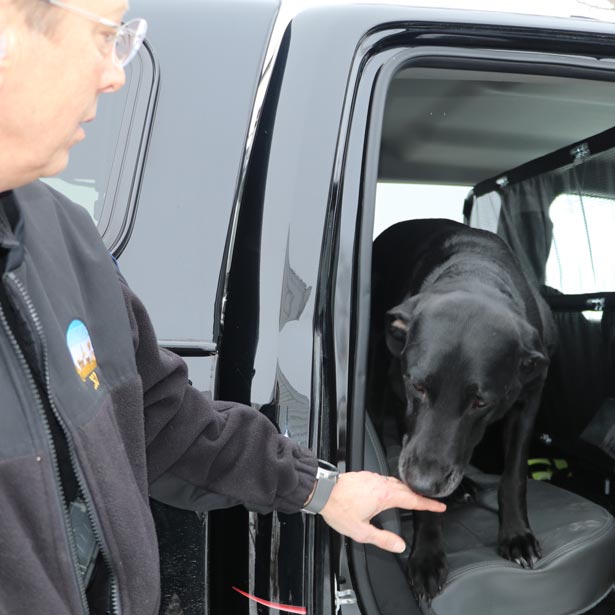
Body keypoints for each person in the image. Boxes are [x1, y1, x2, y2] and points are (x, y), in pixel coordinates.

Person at [0, 1, 446, 613]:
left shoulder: (69, 242)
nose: (114, 74)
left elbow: (167, 422)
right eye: (106, 38)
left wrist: (321, 489)